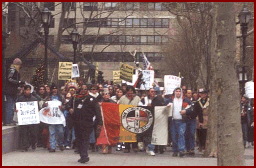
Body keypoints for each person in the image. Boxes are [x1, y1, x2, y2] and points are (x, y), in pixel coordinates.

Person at [68, 86, 103, 163]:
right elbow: (67, 105)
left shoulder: (92, 99)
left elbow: (97, 111)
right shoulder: (75, 99)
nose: (83, 90)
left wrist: (100, 122)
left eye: (85, 89)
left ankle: (85, 156)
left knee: (85, 139)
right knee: (78, 139)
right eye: (82, 89)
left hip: (87, 122)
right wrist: (69, 108)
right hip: (77, 122)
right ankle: (81, 155)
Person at [170, 87, 192, 157]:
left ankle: (181, 150)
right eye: (177, 91)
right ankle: (175, 150)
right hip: (173, 121)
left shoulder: (185, 100)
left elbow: (191, 109)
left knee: (181, 135)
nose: (178, 92)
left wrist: (185, 111)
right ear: (174, 92)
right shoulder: (171, 100)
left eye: (179, 91)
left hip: (182, 121)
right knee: (174, 136)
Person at [16, 85, 38, 152]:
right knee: (24, 132)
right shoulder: (20, 99)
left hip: (31, 120)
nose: (28, 91)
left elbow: (37, 108)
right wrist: (17, 110)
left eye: (29, 90)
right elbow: (16, 106)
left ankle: (33, 143)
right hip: (24, 120)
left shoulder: (34, 99)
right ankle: (25, 146)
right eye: (26, 90)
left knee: (32, 133)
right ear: (24, 90)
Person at [118, 86, 140, 153]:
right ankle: (126, 147)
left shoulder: (137, 98)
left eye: (131, 91)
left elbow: (140, 106)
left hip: (135, 116)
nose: (130, 92)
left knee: (134, 132)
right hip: (125, 117)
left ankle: (134, 146)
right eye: (128, 91)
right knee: (126, 132)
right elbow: (119, 106)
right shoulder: (122, 98)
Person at [4, 58, 25, 125]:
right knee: (10, 106)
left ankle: (10, 119)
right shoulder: (13, 70)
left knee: (12, 105)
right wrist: (18, 82)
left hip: (12, 91)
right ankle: (8, 120)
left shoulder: (13, 70)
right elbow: (9, 79)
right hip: (10, 91)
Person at [45, 84, 65, 152]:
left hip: (59, 118)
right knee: (52, 133)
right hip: (51, 118)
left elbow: (66, 105)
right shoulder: (48, 97)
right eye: (53, 89)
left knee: (60, 132)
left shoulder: (61, 97)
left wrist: (62, 107)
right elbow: (43, 106)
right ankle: (52, 147)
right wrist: (45, 105)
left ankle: (60, 144)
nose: (54, 90)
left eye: (55, 89)